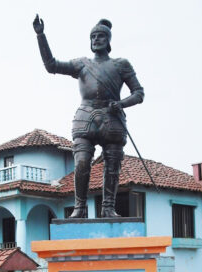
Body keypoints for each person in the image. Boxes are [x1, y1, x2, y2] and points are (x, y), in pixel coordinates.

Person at [33, 16, 144, 218]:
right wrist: (41, 35)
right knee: (82, 163)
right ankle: (80, 207)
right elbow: (51, 65)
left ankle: (108, 207)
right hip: (86, 118)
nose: (96, 39)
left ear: (108, 40)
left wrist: (121, 103)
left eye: (101, 36)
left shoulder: (121, 64)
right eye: (93, 36)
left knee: (112, 166)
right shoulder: (81, 64)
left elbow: (139, 93)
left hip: (112, 119)